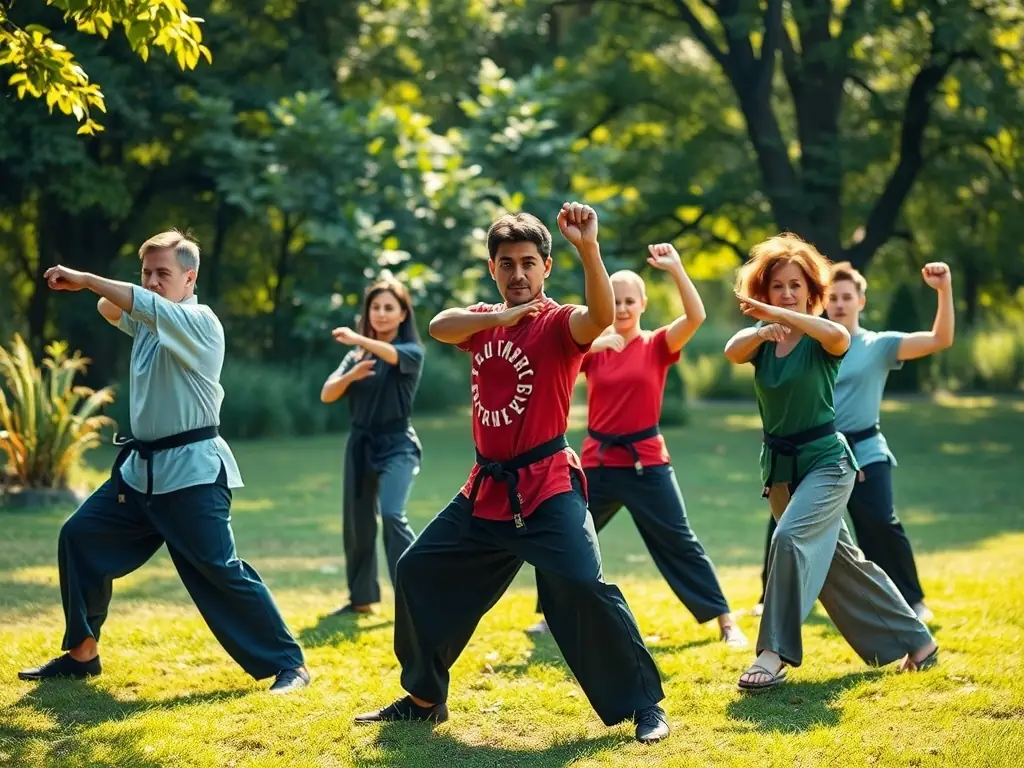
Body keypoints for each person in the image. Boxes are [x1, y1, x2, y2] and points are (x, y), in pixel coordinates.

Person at [353, 203, 670, 743]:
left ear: (546, 266)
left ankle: (644, 706)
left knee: (581, 585)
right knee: (416, 571)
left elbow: (597, 317)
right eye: (506, 263)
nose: (518, 273)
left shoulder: (558, 323)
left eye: (528, 262)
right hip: (487, 489)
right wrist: (497, 319)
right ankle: (425, 697)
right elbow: (438, 325)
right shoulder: (483, 320)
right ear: (493, 268)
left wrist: (588, 248)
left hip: (547, 485)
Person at [19, 230, 310, 693]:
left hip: (193, 473)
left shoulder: (200, 322)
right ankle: (82, 653)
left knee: (219, 569)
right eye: (147, 273)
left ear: (190, 278)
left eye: (164, 274)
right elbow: (110, 307)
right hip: (139, 476)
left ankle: (289, 664)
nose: (153, 282)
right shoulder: (151, 324)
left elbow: (129, 302)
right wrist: (121, 292)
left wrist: (87, 278)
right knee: (79, 537)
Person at [724, 232, 938, 693]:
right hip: (781, 468)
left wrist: (780, 316)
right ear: (764, 291)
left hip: (828, 463)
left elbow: (839, 335)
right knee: (843, 563)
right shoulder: (761, 341)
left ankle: (772, 652)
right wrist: (763, 328)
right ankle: (918, 642)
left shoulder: (825, 337)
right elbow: (732, 350)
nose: (786, 295)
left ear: (811, 292)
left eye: (795, 287)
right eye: (777, 287)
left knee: (789, 539)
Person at [524, 243, 746, 648]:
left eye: (629, 301)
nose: (623, 308)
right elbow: (554, 371)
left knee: (679, 540)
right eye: (617, 301)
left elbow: (696, 316)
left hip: (647, 464)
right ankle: (548, 617)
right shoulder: (593, 348)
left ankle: (725, 619)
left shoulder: (657, 344)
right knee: (567, 534)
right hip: (598, 463)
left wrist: (677, 268)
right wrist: (592, 347)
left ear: (642, 304)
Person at [752, 261, 954, 622]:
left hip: (864, 450)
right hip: (810, 451)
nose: (841, 304)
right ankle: (773, 596)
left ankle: (913, 600)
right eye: (834, 297)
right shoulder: (804, 340)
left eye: (848, 297)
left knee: (879, 522)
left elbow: (941, 340)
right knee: (786, 525)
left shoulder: (878, 344)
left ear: (861, 301)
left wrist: (943, 289)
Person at [320, 278, 424, 615]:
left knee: (393, 514)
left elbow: (392, 355)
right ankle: (360, 599)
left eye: (388, 308)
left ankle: (413, 596)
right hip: (361, 444)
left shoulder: (411, 352)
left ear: (402, 314)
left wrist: (359, 338)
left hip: (398, 445)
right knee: (358, 523)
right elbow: (328, 393)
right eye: (375, 307)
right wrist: (352, 374)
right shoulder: (357, 355)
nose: (380, 313)